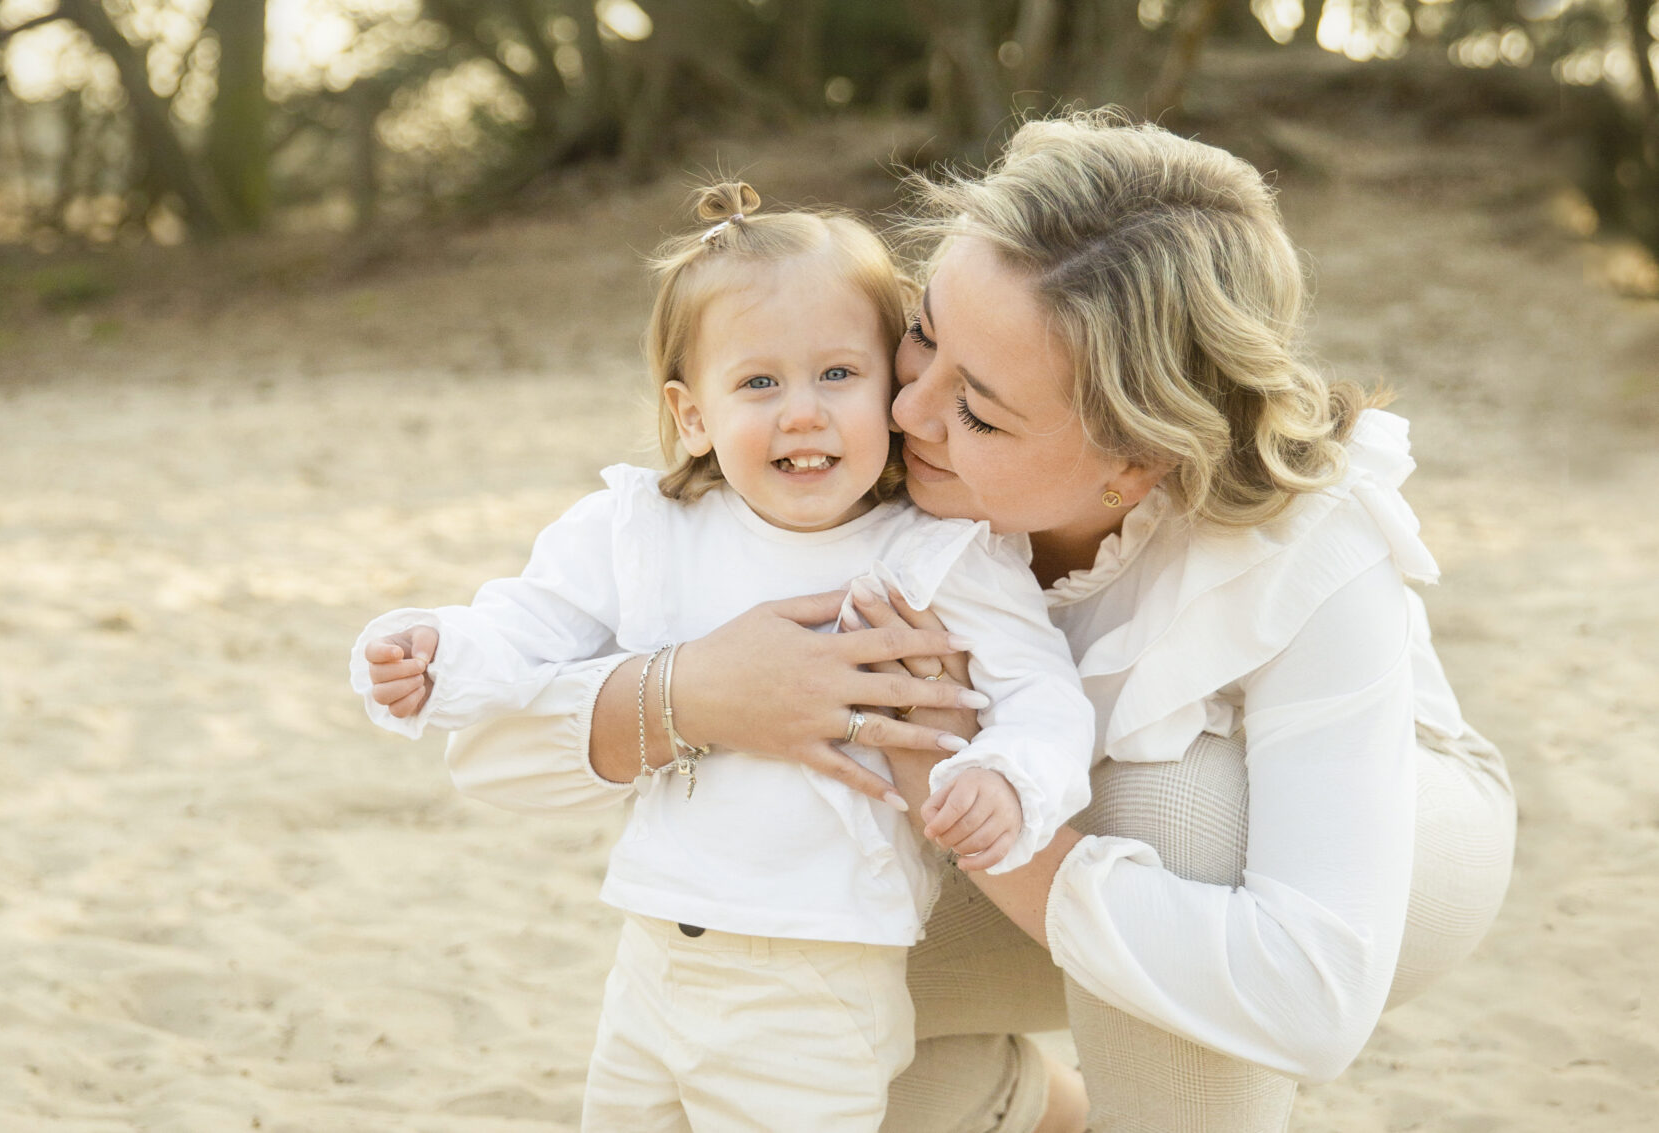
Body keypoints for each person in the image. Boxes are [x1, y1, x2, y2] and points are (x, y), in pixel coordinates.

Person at [435, 114, 1517, 1133]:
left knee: (1166, 794)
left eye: (980, 409)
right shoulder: (845, 444)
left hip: (1337, 866)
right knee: (771, 984)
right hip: (1013, 832)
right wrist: (696, 693)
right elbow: (482, 755)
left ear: (1137, 457)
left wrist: (940, 787)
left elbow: (1311, 999)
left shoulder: (1308, 554)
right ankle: (1030, 1104)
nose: (906, 412)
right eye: (920, 336)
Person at [349, 182, 1099, 1132]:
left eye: (837, 374)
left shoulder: (936, 555)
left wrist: (1006, 774)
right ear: (692, 413)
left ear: (893, 392)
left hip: (819, 976)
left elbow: (1044, 695)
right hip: (655, 953)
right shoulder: (644, 528)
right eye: (758, 383)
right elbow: (529, 621)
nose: (801, 413)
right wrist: (441, 650)